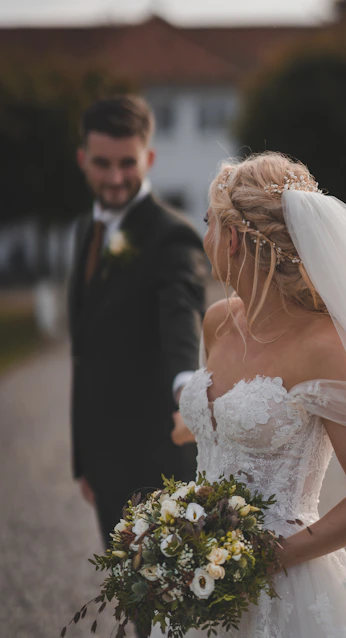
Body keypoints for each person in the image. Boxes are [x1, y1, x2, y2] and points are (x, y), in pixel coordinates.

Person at [169, 152, 346, 637]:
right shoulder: (219, 322)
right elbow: (221, 425)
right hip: (196, 576)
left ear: (236, 240)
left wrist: (264, 560)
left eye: (209, 223)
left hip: (287, 585)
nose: (205, 239)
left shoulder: (326, 348)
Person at [68, 95, 207, 547]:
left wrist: (185, 384)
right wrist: (84, 461)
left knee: (168, 611)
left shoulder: (173, 237)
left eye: (127, 163)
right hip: (103, 463)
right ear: (83, 160)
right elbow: (84, 351)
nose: (114, 178)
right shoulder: (88, 231)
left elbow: (180, 316)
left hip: (156, 464)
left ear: (148, 157)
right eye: (102, 163)